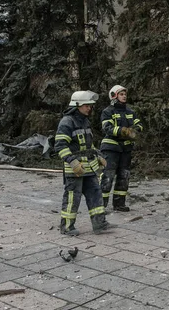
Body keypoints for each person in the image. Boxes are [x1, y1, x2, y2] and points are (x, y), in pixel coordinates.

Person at [55, 91, 113, 236]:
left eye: (90, 106)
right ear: (77, 105)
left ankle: (100, 224)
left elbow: (88, 145)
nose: (89, 108)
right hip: (74, 169)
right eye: (86, 105)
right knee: (72, 198)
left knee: (95, 193)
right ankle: (67, 227)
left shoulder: (85, 121)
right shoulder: (67, 122)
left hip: (88, 167)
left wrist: (98, 155)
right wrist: (73, 162)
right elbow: (60, 146)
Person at [99, 85, 143, 212]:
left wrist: (134, 131)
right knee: (108, 175)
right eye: (121, 94)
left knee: (124, 176)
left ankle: (119, 204)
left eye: (125, 94)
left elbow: (139, 125)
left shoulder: (130, 112)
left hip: (126, 149)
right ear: (114, 96)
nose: (124, 96)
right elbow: (107, 128)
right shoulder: (108, 111)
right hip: (111, 148)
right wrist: (124, 131)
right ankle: (101, 205)